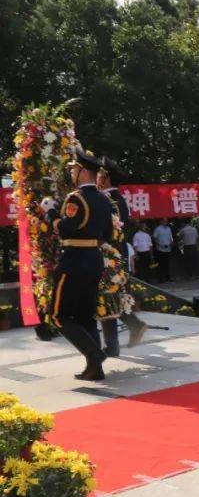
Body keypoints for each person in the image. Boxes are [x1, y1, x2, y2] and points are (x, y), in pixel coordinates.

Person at [40, 148, 115, 381]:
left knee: (59, 315)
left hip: (74, 261)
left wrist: (51, 212)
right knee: (85, 316)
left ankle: (95, 355)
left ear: (83, 172)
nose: (72, 172)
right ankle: (95, 369)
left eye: (74, 169)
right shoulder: (103, 199)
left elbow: (64, 229)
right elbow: (108, 234)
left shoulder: (76, 198)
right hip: (94, 260)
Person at [97, 156, 149, 350]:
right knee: (112, 296)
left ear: (107, 177)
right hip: (116, 254)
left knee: (107, 296)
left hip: (111, 256)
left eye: (99, 174)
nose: (97, 178)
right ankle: (127, 331)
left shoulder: (110, 200)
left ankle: (113, 345)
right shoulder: (115, 199)